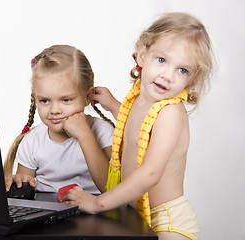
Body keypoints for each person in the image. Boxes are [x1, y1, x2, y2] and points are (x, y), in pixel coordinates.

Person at [63, 12, 213, 240]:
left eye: (182, 70)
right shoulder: (139, 98)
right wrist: (113, 105)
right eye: (161, 60)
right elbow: (138, 125)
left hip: (167, 220)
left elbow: (150, 173)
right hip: (138, 215)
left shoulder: (171, 112)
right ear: (142, 55)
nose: (167, 76)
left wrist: (96, 203)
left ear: (191, 80)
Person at [3, 44, 114, 194]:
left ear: (88, 96)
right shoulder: (33, 141)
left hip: (98, 213)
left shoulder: (103, 132)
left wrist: (84, 135)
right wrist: (17, 183)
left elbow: (112, 189)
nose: (54, 110)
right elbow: (24, 191)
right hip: (48, 214)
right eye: (44, 101)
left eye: (66, 100)